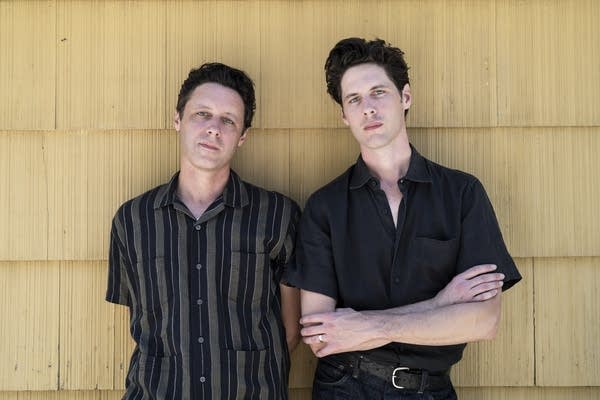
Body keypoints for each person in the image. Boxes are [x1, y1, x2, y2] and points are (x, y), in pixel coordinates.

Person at [287, 38, 522, 399]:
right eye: (354, 99)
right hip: (345, 387)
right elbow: (321, 338)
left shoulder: (461, 194)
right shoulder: (325, 208)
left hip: (431, 388)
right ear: (344, 116)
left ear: (405, 98)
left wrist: (364, 325)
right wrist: (440, 306)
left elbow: (484, 321)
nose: (367, 108)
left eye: (378, 92)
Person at [106, 62, 301, 399]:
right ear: (177, 119)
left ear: (242, 136)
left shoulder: (278, 215)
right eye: (202, 114)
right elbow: (145, 323)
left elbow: (290, 329)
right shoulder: (133, 220)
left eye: (228, 120)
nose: (214, 128)